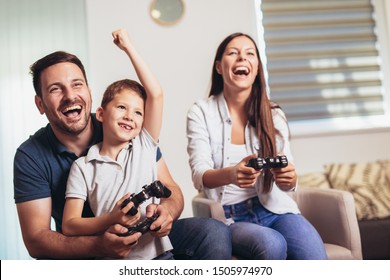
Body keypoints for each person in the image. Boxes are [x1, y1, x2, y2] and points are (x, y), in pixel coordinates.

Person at [13, 29, 232, 260]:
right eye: (55, 89)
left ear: (89, 91)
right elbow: (38, 240)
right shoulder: (38, 157)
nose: (70, 95)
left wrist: (166, 212)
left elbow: (172, 190)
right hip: (84, 251)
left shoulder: (131, 136)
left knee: (213, 232)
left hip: (147, 238)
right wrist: (101, 243)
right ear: (40, 104)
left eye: (77, 84)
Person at [186, 32, 328, 260]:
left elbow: (290, 178)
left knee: (315, 258)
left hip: (276, 209)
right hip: (230, 216)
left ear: (257, 67)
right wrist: (232, 174)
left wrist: (289, 178)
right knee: (271, 244)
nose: (242, 58)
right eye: (233, 53)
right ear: (219, 67)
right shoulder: (201, 112)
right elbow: (199, 174)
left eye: (249, 53)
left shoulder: (274, 114)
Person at [62, 29, 171, 259]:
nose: (130, 116)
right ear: (100, 114)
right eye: (122, 107)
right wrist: (110, 219)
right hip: (116, 260)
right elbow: (70, 225)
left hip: (158, 256)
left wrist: (128, 48)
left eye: (138, 112)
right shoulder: (83, 167)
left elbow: (156, 94)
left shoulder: (144, 146)